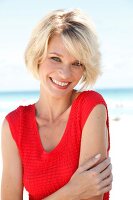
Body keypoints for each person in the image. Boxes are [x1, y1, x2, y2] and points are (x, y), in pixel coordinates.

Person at [1, 9, 112, 200]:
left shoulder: (91, 107)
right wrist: (72, 191)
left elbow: (93, 196)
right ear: (38, 57)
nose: (65, 74)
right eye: (55, 58)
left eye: (76, 63)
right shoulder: (14, 125)